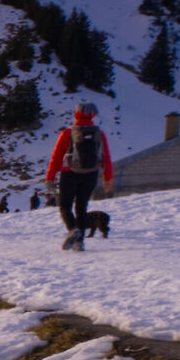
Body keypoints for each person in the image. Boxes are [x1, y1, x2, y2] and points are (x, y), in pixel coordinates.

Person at [43, 101, 115, 251]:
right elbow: (106, 156)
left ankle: (73, 230)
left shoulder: (67, 133)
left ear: (76, 113)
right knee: (81, 208)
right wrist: (107, 178)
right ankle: (79, 242)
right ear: (92, 115)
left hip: (69, 173)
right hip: (90, 174)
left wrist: (50, 177)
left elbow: (56, 157)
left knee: (65, 206)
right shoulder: (98, 133)